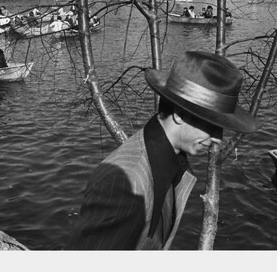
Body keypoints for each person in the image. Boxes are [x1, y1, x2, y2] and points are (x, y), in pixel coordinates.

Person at [66, 50, 258, 250]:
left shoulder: (172, 161)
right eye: (212, 125)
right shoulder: (124, 182)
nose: (218, 138)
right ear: (180, 116)